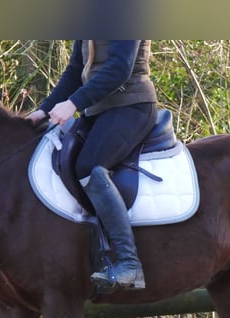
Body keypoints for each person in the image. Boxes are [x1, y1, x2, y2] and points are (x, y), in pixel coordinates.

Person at [28, 40, 157, 290]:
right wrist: (43, 110)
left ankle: (129, 264)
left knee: (88, 166)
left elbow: (120, 68)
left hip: (131, 106)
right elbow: (75, 71)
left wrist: (74, 103)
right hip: (98, 111)